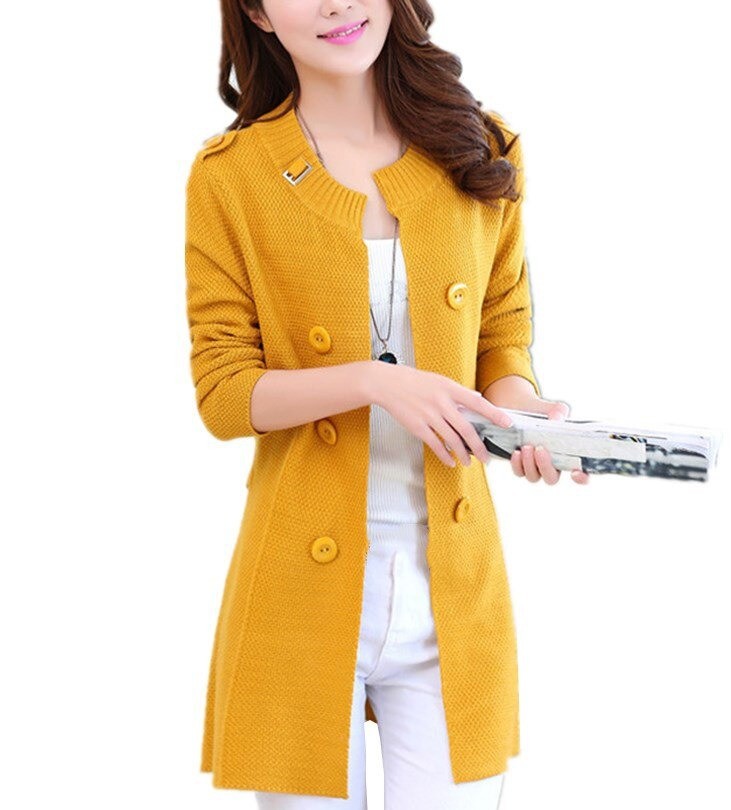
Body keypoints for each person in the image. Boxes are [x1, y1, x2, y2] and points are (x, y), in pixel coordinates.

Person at [184, 1, 590, 808]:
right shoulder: (232, 175)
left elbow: (501, 335)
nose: (337, 3)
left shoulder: (480, 147)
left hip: (454, 596)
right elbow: (224, 392)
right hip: (298, 600)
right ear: (257, 12)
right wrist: (374, 381)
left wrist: (523, 414)